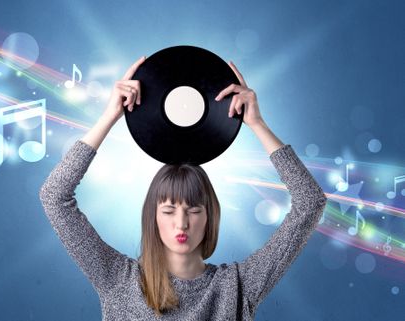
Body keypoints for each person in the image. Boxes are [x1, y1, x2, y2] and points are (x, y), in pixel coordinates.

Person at [39, 55, 327, 320]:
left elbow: (310, 202)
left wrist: (257, 123)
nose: (181, 223)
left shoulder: (238, 287)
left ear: (209, 216)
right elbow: (54, 196)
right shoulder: (118, 280)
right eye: (168, 210)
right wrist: (109, 117)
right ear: (153, 216)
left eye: (193, 209)